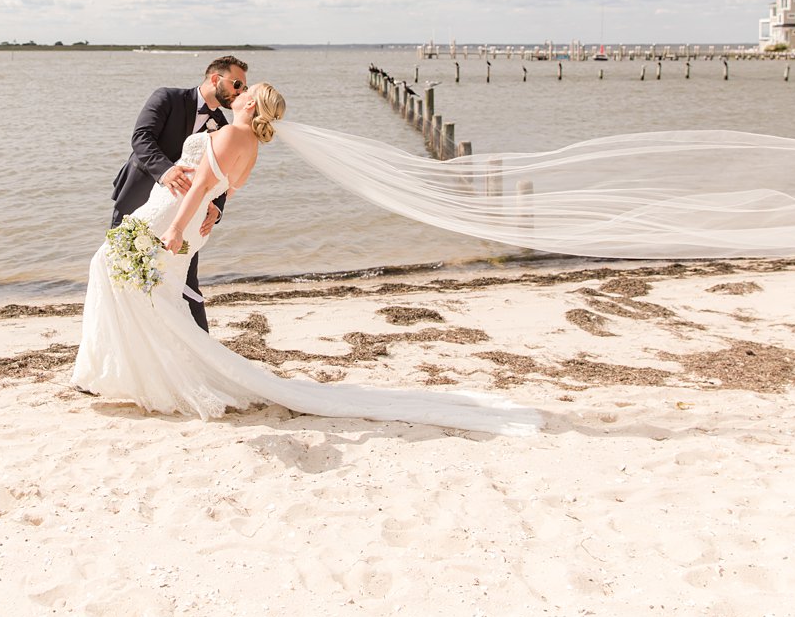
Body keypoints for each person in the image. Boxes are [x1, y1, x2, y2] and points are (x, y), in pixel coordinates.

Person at [72, 82, 543, 437]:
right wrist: (209, 210)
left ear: (251, 106)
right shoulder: (251, 145)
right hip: (191, 223)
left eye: (246, 92)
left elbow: (199, 187)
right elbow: (226, 189)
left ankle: (137, 372)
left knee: (117, 275)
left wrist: (177, 227)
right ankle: (131, 369)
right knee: (148, 290)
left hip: (171, 217)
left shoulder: (233, 133)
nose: (238, 94)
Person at [109, 55, 248, 332]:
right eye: (237, 84)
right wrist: (166, 171)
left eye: (244, 88)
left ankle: (202, 350)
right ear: (215, 79)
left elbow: (223, 170)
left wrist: (217, 207)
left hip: (186, 216)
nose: (240, 92)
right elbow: (141, 138)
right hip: (139, 199)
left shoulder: (224, 126)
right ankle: (126, 336)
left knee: (185, 279)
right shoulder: (167, 98)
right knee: (120, 269)